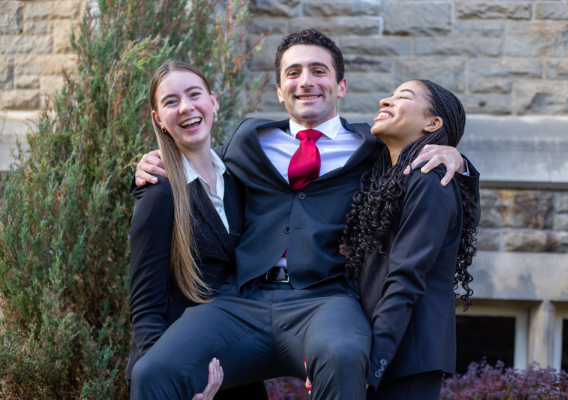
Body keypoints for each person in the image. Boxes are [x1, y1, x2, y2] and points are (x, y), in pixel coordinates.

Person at [130, 30, 480, 399]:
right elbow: (196, 159)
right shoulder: (247, 140)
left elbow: (419, 157)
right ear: (280, 91)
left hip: (326, 300)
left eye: (318, 71)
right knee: (155, 371)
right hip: (241, 300)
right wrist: (147, 169)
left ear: (340, 85)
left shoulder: (374, 147)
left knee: (344, 354)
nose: (306, 82)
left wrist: (458, 158)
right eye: (293, 73)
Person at [126, 60, 267, 400]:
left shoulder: (237, 178)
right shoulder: (159, 191)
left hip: (236, 367)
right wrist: (174, 380)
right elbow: (145, 310)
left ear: (213, 100)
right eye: (171, 101)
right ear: (158, 118)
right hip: (185, 378)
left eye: (194, 94)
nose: (186, 107)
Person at [342, 79, 477, 399]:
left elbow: (406, 277)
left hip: (404, 359)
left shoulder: (432, 180)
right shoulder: (385, 175)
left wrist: (372, 366)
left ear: (432, 123)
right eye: (388, 94)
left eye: (402, 97)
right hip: (375, 347)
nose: (385, 101)